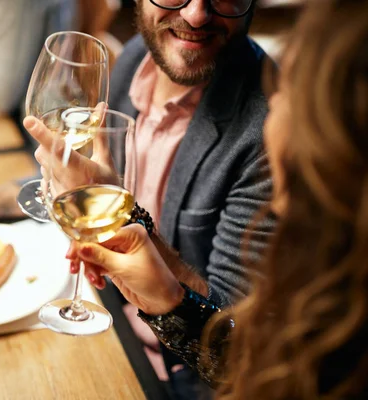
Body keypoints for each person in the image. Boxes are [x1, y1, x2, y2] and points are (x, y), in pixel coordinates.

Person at [0, 0, 273, 396]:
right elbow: (82, 176)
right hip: (103, 307)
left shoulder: (274, 134)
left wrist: (122, 216)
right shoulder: (138, 58)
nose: (196, 15)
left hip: (166, 370)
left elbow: (235, 350)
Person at [66, 0, 368, 398]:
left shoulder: (263, 133)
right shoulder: (140, 54)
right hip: (111, 322)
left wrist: (164, 289)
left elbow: (244, 355)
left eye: (286, 89)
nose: (195, 15)